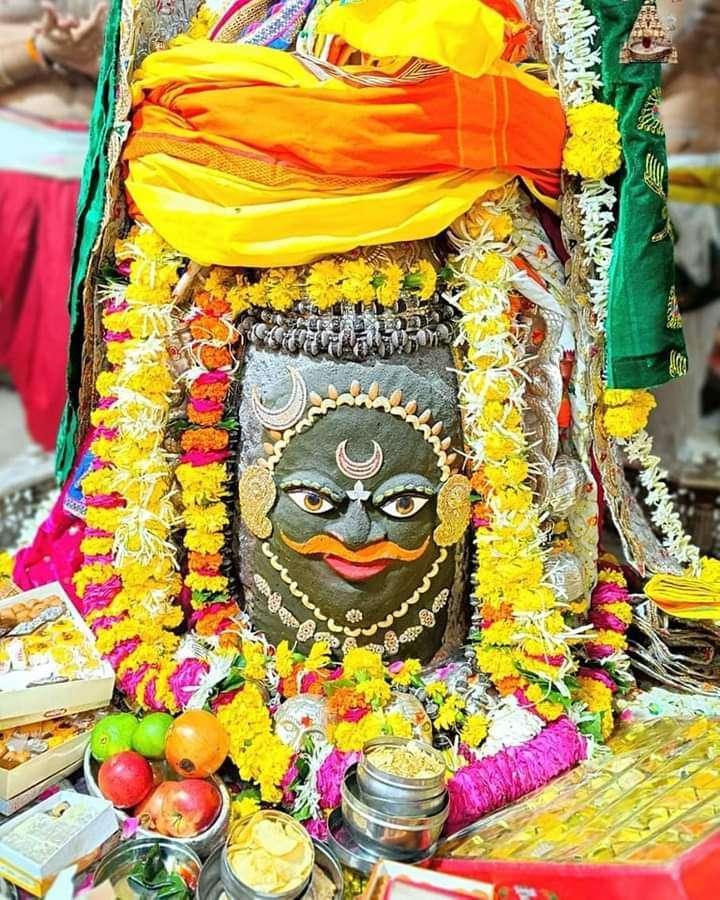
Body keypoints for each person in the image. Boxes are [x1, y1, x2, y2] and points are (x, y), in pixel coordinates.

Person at [0, 0, 107, 451]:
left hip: (82, 182)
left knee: (61, 380)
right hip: (9, 165)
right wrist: (38, 50)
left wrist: (97, 60)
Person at [648, 0, 720, 465]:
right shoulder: (663, 7)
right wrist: (687, 39)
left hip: (713, 191)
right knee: (658, 330)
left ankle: (674, 460)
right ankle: (641, 460)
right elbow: (629, 85)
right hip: (667, 182)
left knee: (700, 338)